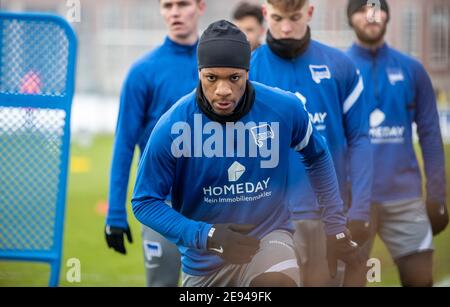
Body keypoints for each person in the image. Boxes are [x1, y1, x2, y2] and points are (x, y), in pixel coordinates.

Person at [131, 20, 362, 287]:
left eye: (234, 77)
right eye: (211, 78)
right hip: (204, 262)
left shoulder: (283, 108)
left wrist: (335, 227)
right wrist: (206, 235)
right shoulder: (173, 125)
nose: (223, 90)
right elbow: (144, 201)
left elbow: (317, 156)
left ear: (247, 72)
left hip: (269, 240)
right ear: (199, 73)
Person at [250, 0, 372, 286]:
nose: (286, 27)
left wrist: (361, 210)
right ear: (266, 14)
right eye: (278, 18)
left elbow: (360, 140)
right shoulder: (247, 71)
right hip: (271, 221)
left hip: (331, 216)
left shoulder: (340, 66)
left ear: (310, 13)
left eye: (295, 17)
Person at [346, 0, 448, 287]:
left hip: (405, 199)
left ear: (387, 16)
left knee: (420, 280)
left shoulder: (412, 69)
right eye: (363, 9)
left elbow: (430, 134)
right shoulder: (338, 69)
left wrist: (437, 196)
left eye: (378, 9)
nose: (371, 15)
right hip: (353, 202)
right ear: (350, 18)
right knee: (348, 282)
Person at [105, 0, 206, 287]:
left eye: (182, 4)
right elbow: (124, 145)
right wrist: (115, 212)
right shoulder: (142, 72)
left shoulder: (218, 71)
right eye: (167, 5)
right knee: (162, 284)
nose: (174, 12)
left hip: (212, 201)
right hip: (159, 203)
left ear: (200, 6)